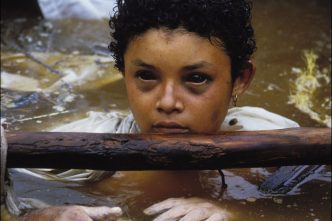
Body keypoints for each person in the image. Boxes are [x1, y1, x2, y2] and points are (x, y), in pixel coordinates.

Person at [2, 0, 300, 220]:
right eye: (146, 75)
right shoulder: (73, 153)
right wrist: (39, 216)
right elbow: (11, 199)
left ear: (240, 79)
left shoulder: (279, 147)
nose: (167, 102)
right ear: (123, 73)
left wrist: (235, 212)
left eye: (196, 78)